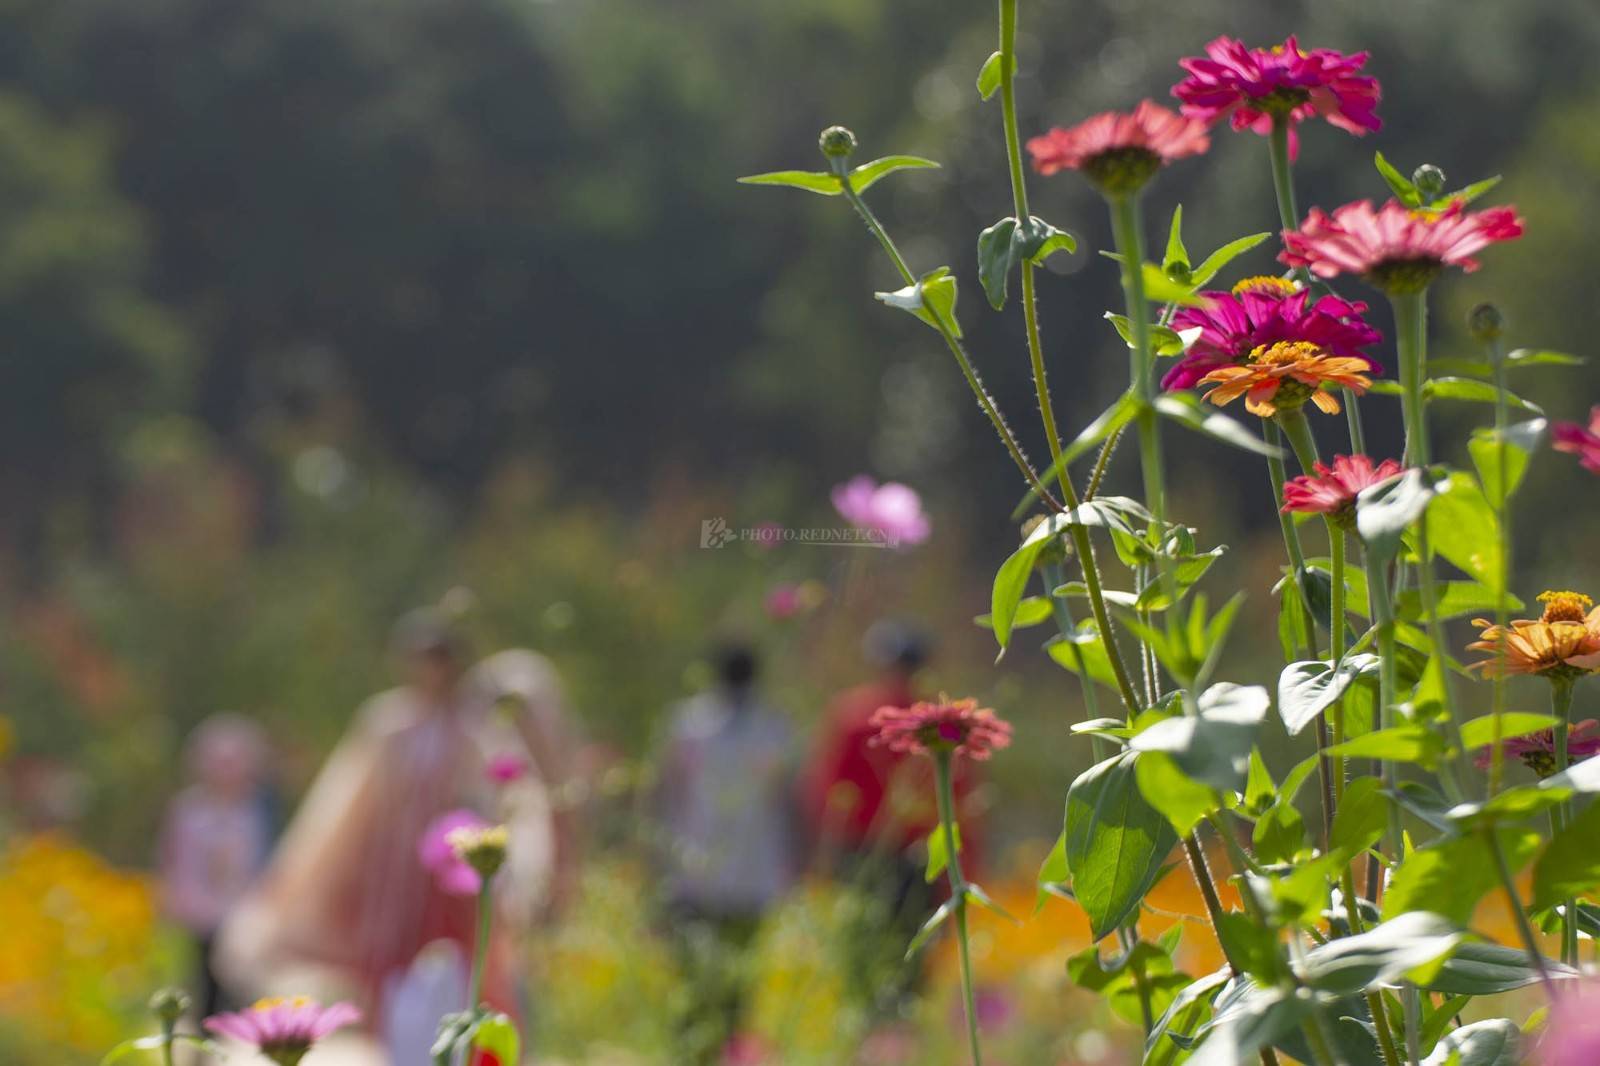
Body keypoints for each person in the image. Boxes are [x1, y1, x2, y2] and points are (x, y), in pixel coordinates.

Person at [215, 608, 577, 1054]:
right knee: (397, 982)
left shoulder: (473, 727)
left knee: (467, 974)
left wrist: (520, 863)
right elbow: (346, 801)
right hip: (394, 886)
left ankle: (470, 1053)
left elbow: (507, 795)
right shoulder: (391, 723)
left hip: (452, 881)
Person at [654, 642, 801, 1063]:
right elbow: (667, 795)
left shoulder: (771, 726)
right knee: (695, 982)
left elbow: (786, 801)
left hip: (748, 874)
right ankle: (695, 1055)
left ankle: (727, 1055)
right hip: (697, 872)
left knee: (736, 984)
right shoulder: (691, 724)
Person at [158, 714, 272, 1017]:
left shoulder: (255, 810)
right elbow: (173, 856)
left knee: (238, 976)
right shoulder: (188, 809)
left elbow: (261, 858)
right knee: (202, 975)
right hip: (199, 908)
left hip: (240, 907)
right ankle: (205, 1038)